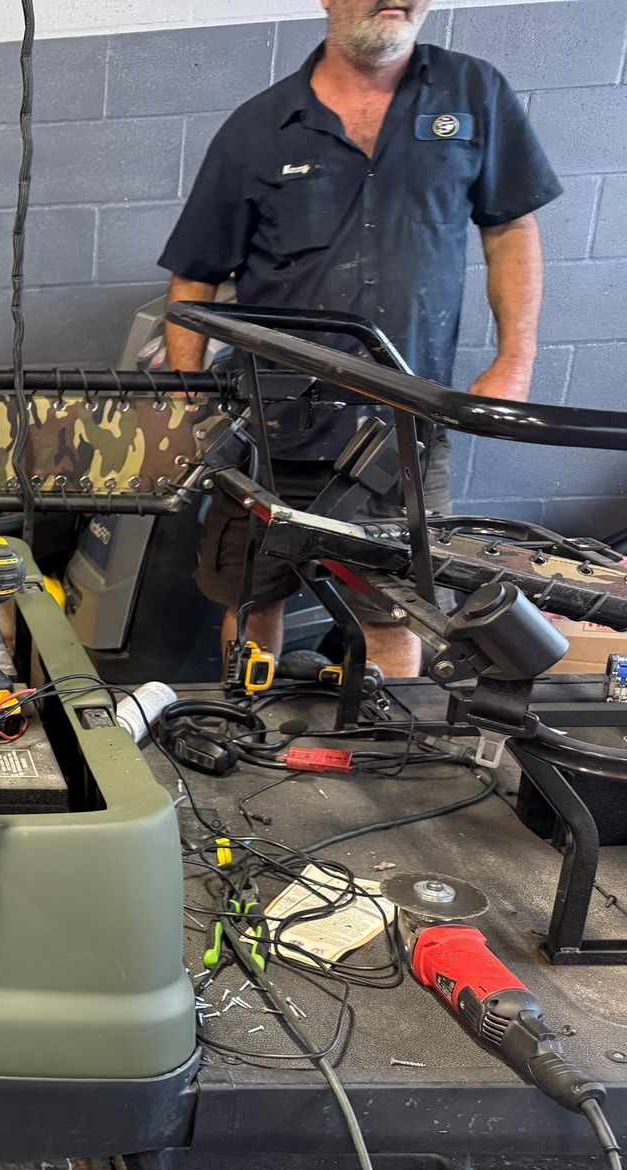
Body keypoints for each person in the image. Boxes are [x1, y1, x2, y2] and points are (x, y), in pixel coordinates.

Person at [159, 0, 562, 676]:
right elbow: (192, 280)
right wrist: (182, 405)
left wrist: (514, 361)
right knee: (252, 600)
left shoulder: (473, 94)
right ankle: (248, 731)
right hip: (268, 427)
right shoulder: (257, 128)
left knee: (398, 614)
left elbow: (511, 232)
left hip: (400, 430)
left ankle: (383, 754)